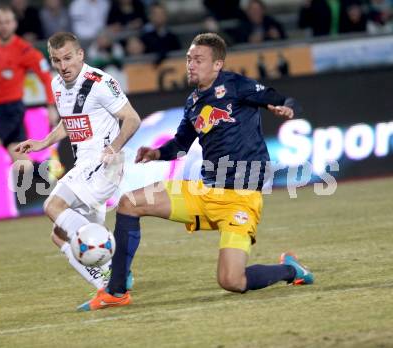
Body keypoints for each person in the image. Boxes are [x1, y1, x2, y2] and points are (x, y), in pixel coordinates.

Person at [78, 32, 314, 311]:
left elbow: (279, 98)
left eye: (198, 60)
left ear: (217, 64)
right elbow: (180, 144)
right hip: (204, 191)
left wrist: (285, 107)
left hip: (241, 199)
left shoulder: (236, 85)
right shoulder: (193, 103)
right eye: (189, 59)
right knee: (129, 203)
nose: (190, 64)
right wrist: (157, 153)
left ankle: (290, 269)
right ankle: (116, 291)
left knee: (232, 281)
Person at [15, 32, 141, 291]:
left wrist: (113, 147)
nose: (63, 66)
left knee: (53, 205)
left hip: (103, 164)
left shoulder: (100, 82)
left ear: (81, 54)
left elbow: (132, 119)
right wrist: (44, 142)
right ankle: (112, 288)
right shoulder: (56, 84)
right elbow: (69, 121)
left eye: (68, 58)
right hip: (85, 165)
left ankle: (112, 268)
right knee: (59, 236)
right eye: (56, 60)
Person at [0, 6, 58, 209]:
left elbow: (46, 77)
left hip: (11, 110)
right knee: (22, 163)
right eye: (0, 22)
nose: (4, 26)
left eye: (8, 22)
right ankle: (58, 184)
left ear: (15, 24)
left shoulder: (24, 50)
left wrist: (51, 106)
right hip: (1, 109)